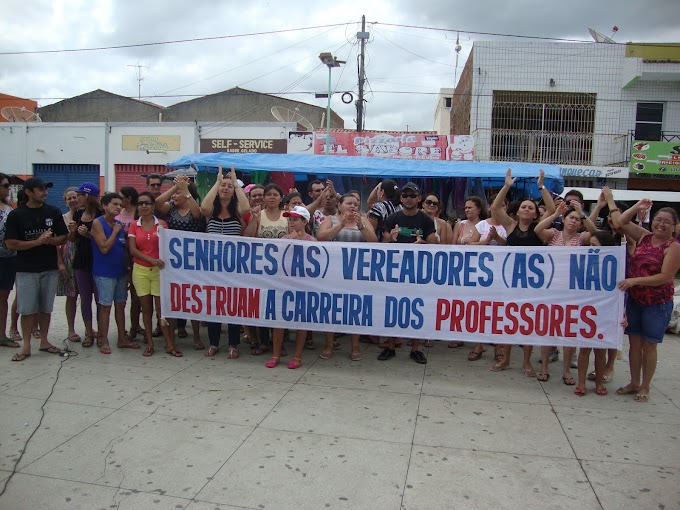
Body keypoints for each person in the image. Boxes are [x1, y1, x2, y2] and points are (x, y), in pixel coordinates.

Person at [609, 195, 680, 402]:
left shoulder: (673, 247)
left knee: (649, 345)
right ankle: (633, 382)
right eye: (658, 219)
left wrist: (634, 281)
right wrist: (637, 206)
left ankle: (645, 386)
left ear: (674, 227)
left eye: (667, 222)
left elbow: (665, 277)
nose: (661, 224)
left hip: (657, 303)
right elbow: (621, 222)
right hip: (636, 300)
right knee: (634, 342)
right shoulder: (644, 236)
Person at [488, 169, 555, 377]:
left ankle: (526, 362)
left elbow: (552, 210)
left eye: (531, 208)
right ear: (517, 212)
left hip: (533, 285)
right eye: (523, 206)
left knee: (528, 324)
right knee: (509, 322)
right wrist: (506, 186)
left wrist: (542, 187)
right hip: (510, 282)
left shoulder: (540, 230)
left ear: (536, 214)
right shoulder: (510, 226)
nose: (526, 209)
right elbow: (495, 207)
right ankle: (506, 358)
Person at [534, 199, 598, 385]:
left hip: (572, 291)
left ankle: (566, 370)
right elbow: (538, 230)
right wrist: (555, 214)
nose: (574, 221)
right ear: (564, 219)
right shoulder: (553, 234)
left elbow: (595, 232)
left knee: (569, 332)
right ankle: (544, 367)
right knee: (548, 331)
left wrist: (583, 214)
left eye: (577, 220)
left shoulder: (582, 239)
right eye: (571, 218)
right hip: (551, 289)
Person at [5, 178, 68, 361]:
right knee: (27, 309)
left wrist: (51, 241)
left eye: (45, 189)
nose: (45, 193)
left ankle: (45, 341)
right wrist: (37, 242)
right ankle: (26, 345)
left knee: (45, 308)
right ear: (28, 192)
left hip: (49, 268)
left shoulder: (53, 212)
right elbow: (10, 244)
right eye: (40, 189)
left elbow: (63, 237)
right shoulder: (17, 215)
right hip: (26, 269)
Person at [378, 182, 437, 364]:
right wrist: (391, 238)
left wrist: (424, 245)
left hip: (418, 272)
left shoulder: (426, 220)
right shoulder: (393, 217)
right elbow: (382, 242)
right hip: (395, 271)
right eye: (405, 196)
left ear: (419, 198)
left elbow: (435, 245)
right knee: (392, 308)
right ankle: (390, 346)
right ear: (401, 198)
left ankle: (415, 349)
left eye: (412, 196)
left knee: (416, 309)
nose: (409, 199)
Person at [317, 194, 378, 360]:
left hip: (356, 273)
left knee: (355, 309)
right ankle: (329, 345)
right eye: (349, 203)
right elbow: (321, 237)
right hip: (333, 272)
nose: (353, 206)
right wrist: (341, 225)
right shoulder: (331, 219)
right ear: (340, 205)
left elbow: (374, 241)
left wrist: (361, 227)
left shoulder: (363, 220)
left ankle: (355, 346)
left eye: (356, 203)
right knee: (330, 308)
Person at [200, 165, 250, 359]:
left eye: (230, 186)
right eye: (224, 185)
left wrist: (236, 182)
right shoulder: (211, 210)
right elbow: (203, 208)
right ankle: (213, 343)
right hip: (213, 266)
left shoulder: (236, 209)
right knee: (214, 305)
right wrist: (217, 182)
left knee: (233, 305)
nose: (226, 188)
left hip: (233, 266)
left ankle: (232, 344)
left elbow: (246, 208)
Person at [155, 175, 206, 350]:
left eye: (178, 193)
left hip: (192, 262)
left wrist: (184, 189)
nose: (174, 196)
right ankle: (172, 337)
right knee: (173, 300)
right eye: (174, 194)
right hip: (171, 263)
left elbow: (198, 214)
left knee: (193, 299)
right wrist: (174, 187)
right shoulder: (170, 209)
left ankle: (197, 336)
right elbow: (157, 203)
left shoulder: (194, 209)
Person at [128, 191, 181, 357]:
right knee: (146, 308)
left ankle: (169, 343)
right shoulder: (133, 225)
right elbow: (133, 250)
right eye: (141, 203)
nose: (144, 206)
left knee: (162, 310)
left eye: (147, 203)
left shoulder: (162, 224)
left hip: (160, 271)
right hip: (141, 270)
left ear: (153, 206)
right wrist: (151, 260)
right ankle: (150, 343)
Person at [266, 206, 316, 369]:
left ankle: (297, 356)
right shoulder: (284, 239)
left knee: (301, 324)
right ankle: (276, 354)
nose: (292, 222)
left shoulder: (312, 241)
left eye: (295, 219)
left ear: (304, 222)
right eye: (290, 219)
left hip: (302, 287)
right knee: (279, 322)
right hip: (284, 285)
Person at [91, 193, 139, 353]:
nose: (119, 207)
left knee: (121, 304)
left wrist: (128, 268)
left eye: (120, 204)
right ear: (104, 206)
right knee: (105, 306)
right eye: (115, 204)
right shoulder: (98, 223)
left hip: (120, 271)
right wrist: (114, 232)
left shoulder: (118, 224)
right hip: (104, 272)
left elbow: (124, 249)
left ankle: (121, 338)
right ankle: (103, 340)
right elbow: (104, 247)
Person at [244, 183, 287, 354]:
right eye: (268, 194)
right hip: (261, 269)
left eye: (275, 194)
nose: (271, 197)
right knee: (262, 305)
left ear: (281, 198)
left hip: (283, 270)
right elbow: (247, 237)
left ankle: (279, 342)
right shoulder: (258, 214)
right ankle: (263, 341)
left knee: (279, 306)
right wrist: (254, 220)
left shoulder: (288, 215)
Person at [574, 230, 617, 396]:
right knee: (584, 350)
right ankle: (581, 383)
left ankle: (599, 383)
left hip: (605, 311)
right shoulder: (584, 263)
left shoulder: (615, 265)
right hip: (587, 310)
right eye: (589, 245)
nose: (590, 248)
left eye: (594, 245)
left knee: (601, 351)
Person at [67, 182, 103, 348]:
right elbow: (73, 240)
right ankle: (89, 331)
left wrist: (88, 234)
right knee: (85, 298)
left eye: (79, 195)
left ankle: (101, 332)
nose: (77, 199)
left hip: (98, 260)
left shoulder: (102, 215)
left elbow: (104, 241)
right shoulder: (78, 214)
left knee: (100, 300)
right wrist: (73, 232)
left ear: (87, 196)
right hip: (81, 261)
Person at [116, 186, 144, 342]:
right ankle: (126, 327)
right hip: (119, 256)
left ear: (129, 198)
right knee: (121, 296)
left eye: (121, 197)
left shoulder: (137, 214)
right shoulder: (118, 213)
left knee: (136, 296)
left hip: (134, 257)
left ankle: (135, 325)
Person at [55, 187, 81, 344]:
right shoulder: (62, 218)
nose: (73, 200)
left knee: (87, 295)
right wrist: (59, 263)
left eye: (75, 197)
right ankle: (71, 329)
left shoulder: (86, 215)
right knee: (71, 296)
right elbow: (57, 243)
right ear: (65, 201)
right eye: (69, 198)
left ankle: (90, 328)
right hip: (67, 257)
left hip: (84, 257)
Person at [0, 173, 19, 347]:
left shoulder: (8, 208)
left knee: (4, 296)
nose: (8, 189)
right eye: (5, 186)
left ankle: (2, 334)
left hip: (9, 258)